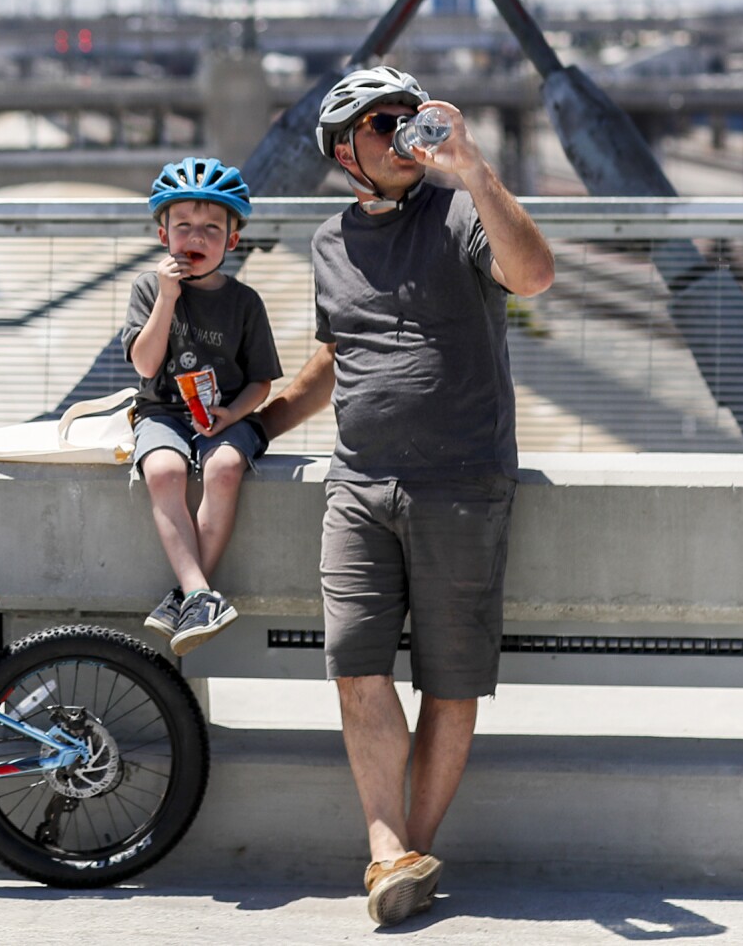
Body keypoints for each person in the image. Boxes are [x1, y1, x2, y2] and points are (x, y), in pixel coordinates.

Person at [255, 66, 554, 927]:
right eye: (382, 124)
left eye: (408, 118)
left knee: (450, 679)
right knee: (354, 665)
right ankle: (390, 851)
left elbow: (533, 276)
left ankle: (403, 855)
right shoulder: (329, 242)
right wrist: (256, 428)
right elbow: (334, 359)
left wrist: (473, 168)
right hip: (357, 482)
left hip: (462, 478)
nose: (401, 135)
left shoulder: (460, 208)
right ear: (343, 148)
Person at [121, 156, 283, 656]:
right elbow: (146, 367)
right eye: (184, 226)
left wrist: (232, 416)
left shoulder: (245, 302)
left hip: (226, 414)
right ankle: (199, 594)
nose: (196, 237)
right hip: (163, 412)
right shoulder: (149, 289)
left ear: (232, 241)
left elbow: (261, 383)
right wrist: (167, 298)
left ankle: (191, 595)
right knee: (165, 471)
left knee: (226, 467)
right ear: (162, 233)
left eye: (212, 228)